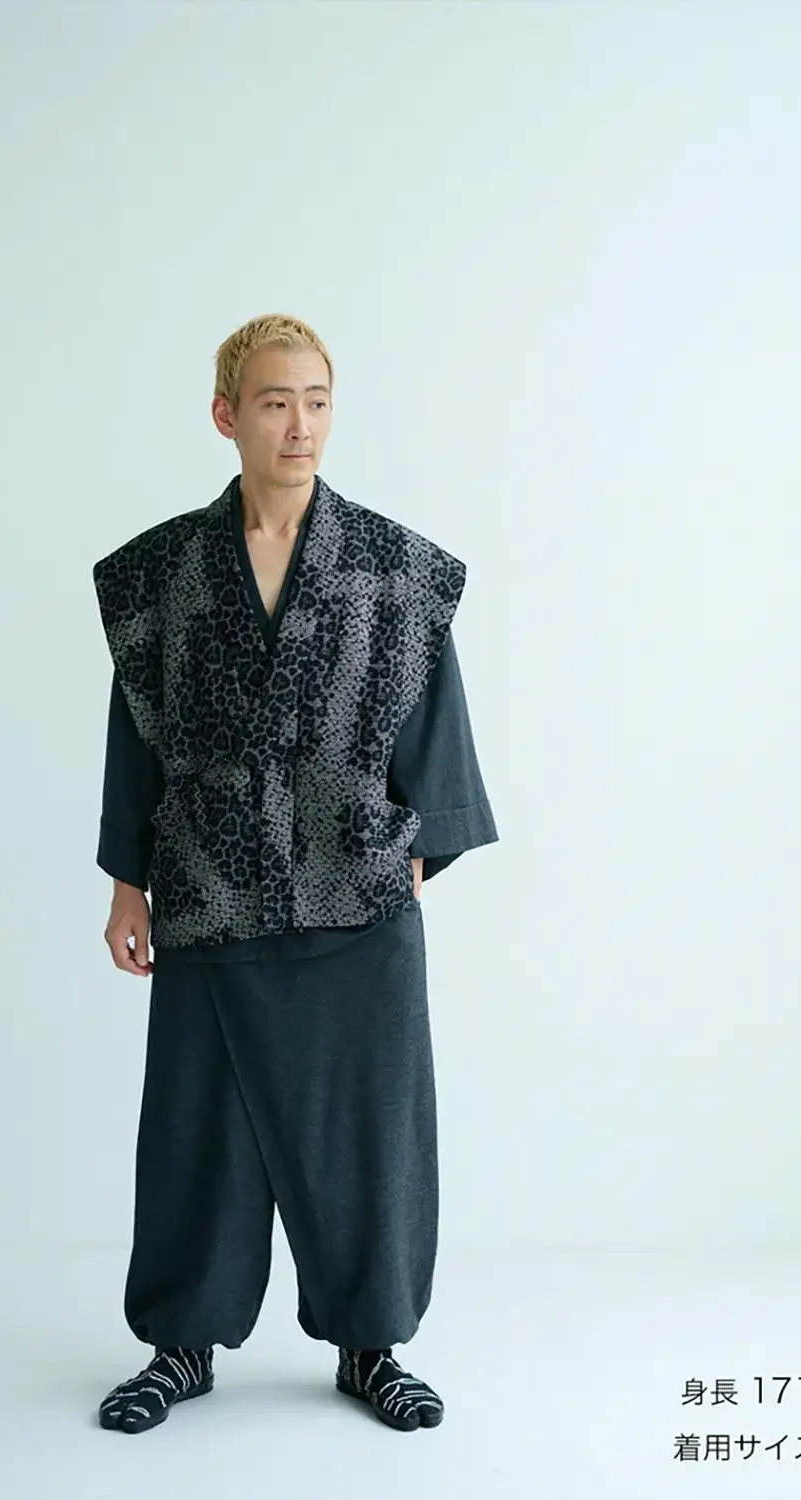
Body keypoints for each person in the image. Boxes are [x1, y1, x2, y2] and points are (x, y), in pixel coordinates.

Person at [91, 313, 498, 1435]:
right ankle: (180, 1345)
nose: (300, 424)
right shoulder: (164, 573)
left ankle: (373, 1347)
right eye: (276, 401)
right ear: (227, 415)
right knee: (198, 1130)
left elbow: (437, 725)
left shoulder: (394, 570)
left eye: (317, 400)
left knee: (369, 1132)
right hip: (208, 888)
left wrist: (414, 857)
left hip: (355, 897)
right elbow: (136, 733)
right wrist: (128, 880)